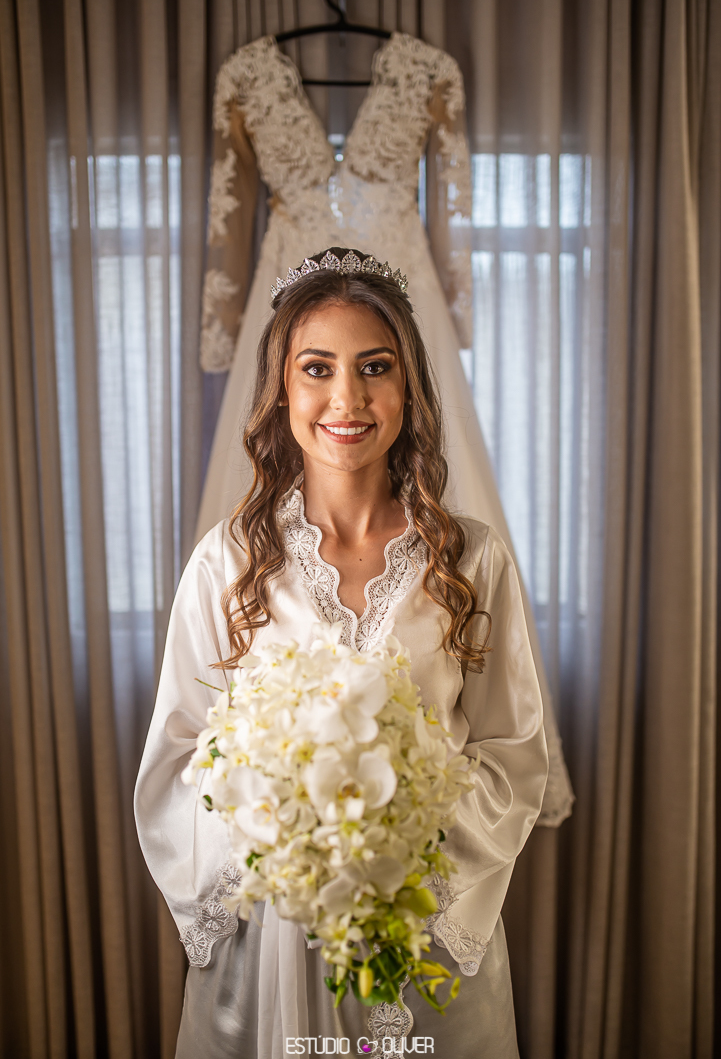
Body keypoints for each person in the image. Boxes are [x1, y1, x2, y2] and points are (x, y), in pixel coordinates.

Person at [135, 248, 549, 1059]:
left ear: (408, 388)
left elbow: (511, 756)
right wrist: (292, 847)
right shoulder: (226, 563)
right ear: (282, 388)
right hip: (271, 945)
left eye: (374, 368)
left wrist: (397, 851)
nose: (346, 399)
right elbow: (177, 763)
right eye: (316, 368)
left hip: (423, 935)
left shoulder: (471, 559)